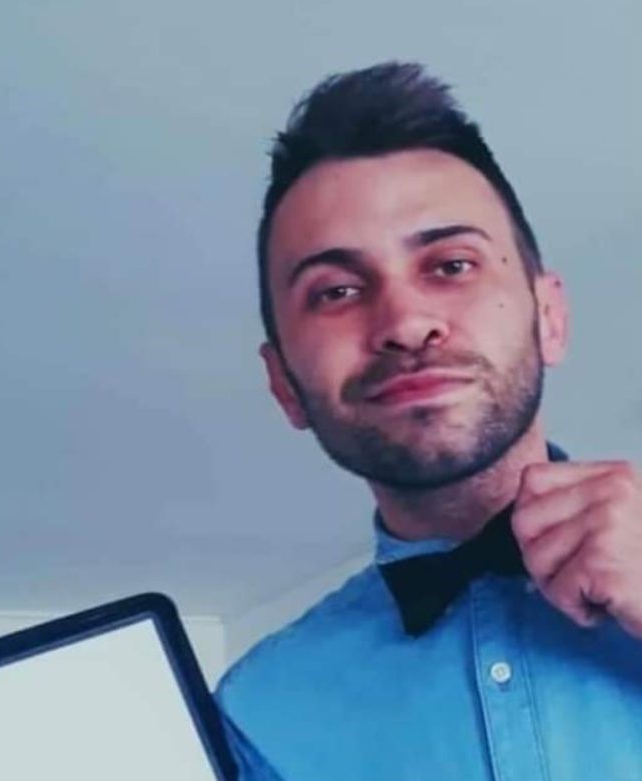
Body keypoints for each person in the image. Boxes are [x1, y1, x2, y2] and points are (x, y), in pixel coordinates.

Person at [215, 62, 642, 781]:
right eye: (336, 291)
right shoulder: (251, 717)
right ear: (283, 381)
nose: (406, 323)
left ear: (549, 317)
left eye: (451, 265)